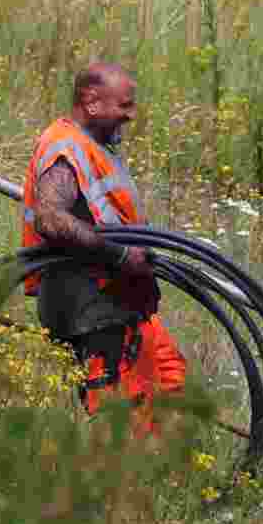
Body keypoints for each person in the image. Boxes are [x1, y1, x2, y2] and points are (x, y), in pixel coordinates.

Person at [21, 63, 186, 437]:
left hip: (121, 302)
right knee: (124, 424)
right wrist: (122, 256)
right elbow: (51, 219)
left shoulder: (93, 146)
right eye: (124, 106)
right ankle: (122, 488)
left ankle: (165, 480)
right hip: (94, 310)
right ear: (92, 102)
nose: (130, 115)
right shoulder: (64, 147)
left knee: (171, 385)